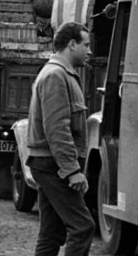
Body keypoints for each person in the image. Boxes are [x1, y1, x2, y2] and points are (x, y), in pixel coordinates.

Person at [26, 22, 95, 255]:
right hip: (53, 164)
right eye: (86, 45)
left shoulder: (59, 73)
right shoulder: (56, 75)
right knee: (83, 227)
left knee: (51, 233)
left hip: (47, 162)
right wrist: (72, 170)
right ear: (72, 44)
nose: (90, 51)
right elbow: (57, 129)